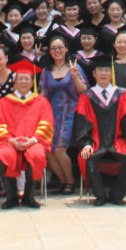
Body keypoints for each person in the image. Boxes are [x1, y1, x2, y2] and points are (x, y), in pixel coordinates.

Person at [73, 55, 126, 206]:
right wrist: (86, 143)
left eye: (106, 70)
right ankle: (100, 195)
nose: (103, 73)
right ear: (94, 74)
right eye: (100, 70)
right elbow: (81, 124)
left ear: (112, 73)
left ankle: (117, 194)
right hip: (95, 142)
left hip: (118, 141)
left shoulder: (123, 94)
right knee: (86, 156)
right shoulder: (86, 97)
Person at [0, 58, 54, 209]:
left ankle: (28, 196)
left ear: (32, 82)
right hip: (10, 143)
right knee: (3, 155)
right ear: (15, 82)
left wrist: (32, 140)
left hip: (33, 142)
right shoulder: (4, 102)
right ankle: (11, 197)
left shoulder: (41, 102)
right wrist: (11, 141)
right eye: (20, 79)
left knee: (37, 155)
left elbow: (46, 125)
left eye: (27, 79)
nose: (23, 82)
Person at [40, 34, 87, 195]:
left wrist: (74, 76)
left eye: (60, 47)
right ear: (49, 51)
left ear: (66, 49)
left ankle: (71, 182)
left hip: (70, 114)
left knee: (60, 150)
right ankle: (63, 181)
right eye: (54, 48)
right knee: (48, 150)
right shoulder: (46, 71)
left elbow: (83, 90)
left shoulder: (75, 67)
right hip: (51, 114)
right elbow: (42, 95)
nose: (57, 50)